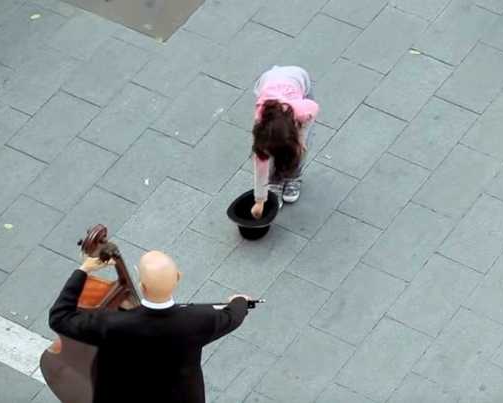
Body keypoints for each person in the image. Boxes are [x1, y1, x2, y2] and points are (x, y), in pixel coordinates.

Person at [49, 250, 250, 403]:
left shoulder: (112, 324)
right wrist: (239, 301)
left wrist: (83, 270)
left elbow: (59, 317)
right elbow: (233, 316)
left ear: (142, 287)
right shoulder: (199, 320)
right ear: (178, 277)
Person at [250, 65, 319, 219]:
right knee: (280, 151)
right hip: (269, 81)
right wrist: (260, 200)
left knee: (300, 149)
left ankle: (294, 177)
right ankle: (275, 181)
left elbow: (314, 108)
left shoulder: (303, 110)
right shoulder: (261, 126)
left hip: (299, 79)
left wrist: (300, 137)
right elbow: (260, 163)